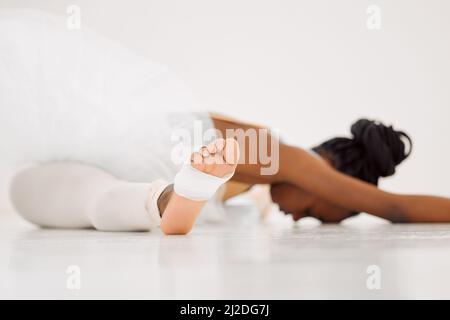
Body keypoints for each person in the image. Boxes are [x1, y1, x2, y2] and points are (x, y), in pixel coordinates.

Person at [2, 10, 450, 235]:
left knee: (30, 193)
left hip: (124, 166)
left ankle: (171, 199)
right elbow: (396, 209)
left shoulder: (261, 178)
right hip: (139, 144)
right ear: (330, 177)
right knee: (102, 200)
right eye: (313, 211)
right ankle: (169, 199)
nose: (297, 217)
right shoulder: (292, 160)